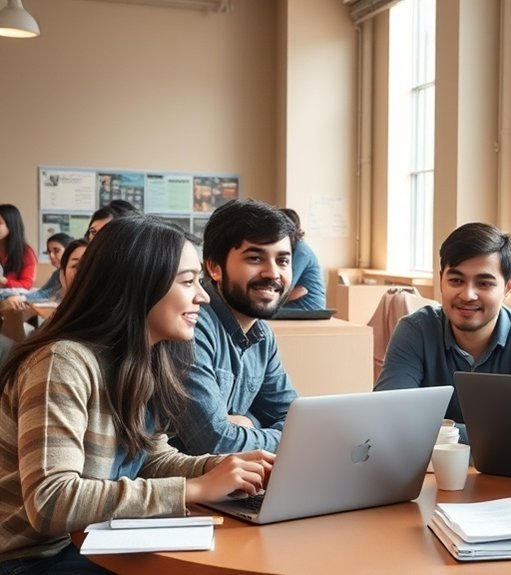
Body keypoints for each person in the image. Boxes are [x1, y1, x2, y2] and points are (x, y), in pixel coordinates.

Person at [0, 216, 273, 573]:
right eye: (188, 282)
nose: (203, 297)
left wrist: (226, 469)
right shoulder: (62, 362)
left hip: (88, 540)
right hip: (33, 557)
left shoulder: (147, 358)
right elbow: (51, 501)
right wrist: (194, 488)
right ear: (139, 285)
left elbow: (151, 461)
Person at [374, 222, 511, 432]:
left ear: (508, 288)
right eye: (456, 280)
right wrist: (492, 433)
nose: (468, 295)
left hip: (504, 466)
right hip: (428, 466)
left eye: (484, 283)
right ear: (441, 279)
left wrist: (436, 430)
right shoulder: (415, 330)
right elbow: (388, 417)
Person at [174, 199, 299, 455]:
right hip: (184, 487)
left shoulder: (262, 335)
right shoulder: (190, 326)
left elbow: (300, 422)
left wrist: (249, 424)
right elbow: (215, 442)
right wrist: (263, 428)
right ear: (214, 268)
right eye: (255, 258)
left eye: (283, 261)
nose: (273, 273)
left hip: (238, 483)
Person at [278, 208, 327, 311]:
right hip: (295, 302)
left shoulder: (301, 251)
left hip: (308, 305)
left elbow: (287, 287)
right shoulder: (292, 248)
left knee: (260, 313)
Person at [0, 204, 36, 290]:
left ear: (11, 225)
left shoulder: (25, 252)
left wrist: (3, 281)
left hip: (13, 297)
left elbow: (26, 284)